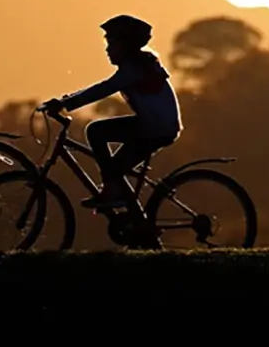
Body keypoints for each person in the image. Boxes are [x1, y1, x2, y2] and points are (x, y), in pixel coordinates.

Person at [42, 15, 182, 209]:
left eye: (112, 43)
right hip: (156, 126)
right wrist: (66, 100)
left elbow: (104, 88)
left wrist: (65, 103)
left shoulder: (134, 69)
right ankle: (117, 195)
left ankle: (112, 192)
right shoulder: (139, 64)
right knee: (114, 168)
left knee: (96, 132)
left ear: (127, 45)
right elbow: (104, 87)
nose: (107, 49)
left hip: (155, 129)